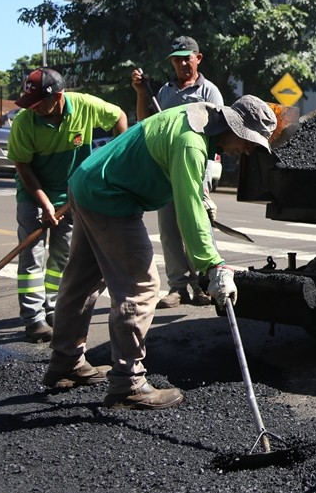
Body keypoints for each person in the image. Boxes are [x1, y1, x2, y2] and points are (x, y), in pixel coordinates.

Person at [40, 95, 277, 407]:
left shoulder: (198, 118)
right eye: (248, 140)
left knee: (83, 279)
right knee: (141, 286)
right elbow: (187, 210)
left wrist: (201, 195)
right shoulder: (191, 141)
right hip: (110, 196)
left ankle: (65, 362)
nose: (248, 149)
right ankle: (128, 382)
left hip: (89, 182)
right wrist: (213, 266)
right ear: (233, 126)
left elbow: (182, 180)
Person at [7, 67, 127, 343]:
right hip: (34, 192)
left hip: (72, 193)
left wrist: (119, 155)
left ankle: (53, 308)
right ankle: (33, 319)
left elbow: (119, 116)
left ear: (58, 96)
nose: (33, 108)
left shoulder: (84, 105)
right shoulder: (25, 122)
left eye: (38, 102)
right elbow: (22, 166)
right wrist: (45, 203)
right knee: (31, 256)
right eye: (30, 102)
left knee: (63, 255)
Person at [130, 35, 224, 308]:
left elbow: (216, 131)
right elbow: (146, 123)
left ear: (198, 58)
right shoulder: (165, 93)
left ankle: (204, 284)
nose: (183, 63)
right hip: (166, 170)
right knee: (170, 230)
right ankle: (178, 287)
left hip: (195, 168)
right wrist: (140, 93)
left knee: (197, 224)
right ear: (172, 62)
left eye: (187, 57)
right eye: (177, 59)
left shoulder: (210, 92)